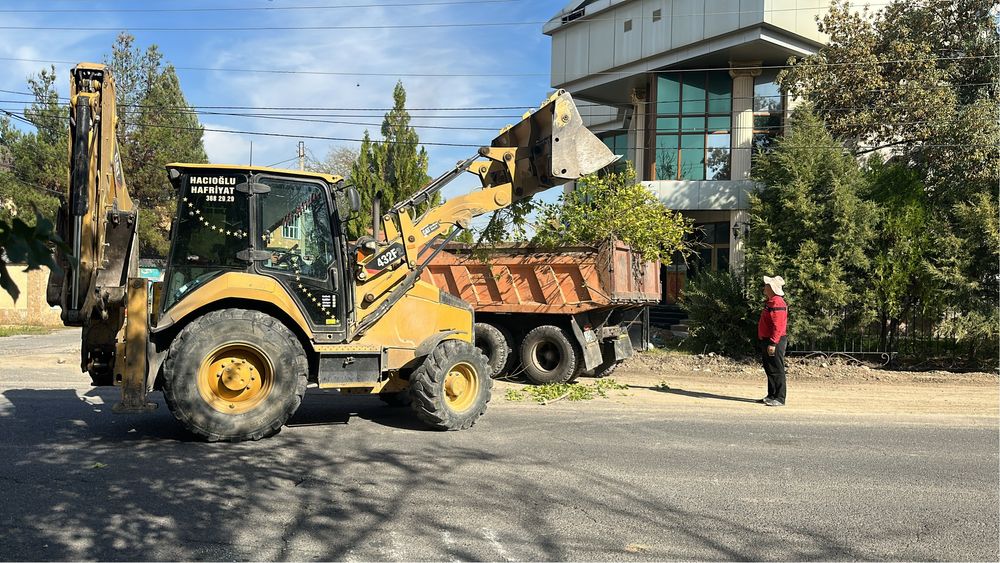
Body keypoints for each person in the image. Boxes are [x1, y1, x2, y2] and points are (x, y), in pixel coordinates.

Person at [758, 275, 788, 407]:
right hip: (769, 339)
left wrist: (773, 343)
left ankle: (780, 398)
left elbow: (778, 325)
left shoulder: (777, 302)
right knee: (770, 368)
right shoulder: (772, 301)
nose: (764, 287)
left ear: (771, 288)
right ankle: (771, 395)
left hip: (774, 340)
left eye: (767, 285)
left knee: (776, 369)